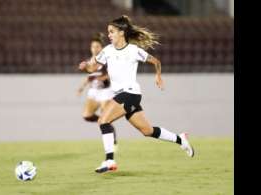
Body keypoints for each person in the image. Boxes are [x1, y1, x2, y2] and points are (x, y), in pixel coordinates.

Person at [79, 15, 194, 174]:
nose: (109, 35)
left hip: (130, 94)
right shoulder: (107, 51)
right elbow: (93, 68)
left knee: (103, 120)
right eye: (108, 32)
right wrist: (86, 66)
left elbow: (156, 61)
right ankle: (180, 139)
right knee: (148, 131)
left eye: (112, 31)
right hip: (124, 96)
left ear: (122, 32)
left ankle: (110, 160)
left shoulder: (133, 51)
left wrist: (158, 75)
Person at [77, 33, 117, 145]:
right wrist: (81, 87)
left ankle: (111, 142)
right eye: (93, 47)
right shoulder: (89, 61)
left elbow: (112, 73)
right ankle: (107, 124)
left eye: (97, 46)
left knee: (105, 118)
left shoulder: (107, 60)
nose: (94, 49)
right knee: (87, 115)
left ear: (102, 48)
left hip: (106, 91)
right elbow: (89, 77)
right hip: (94, 92)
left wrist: (102, 77)